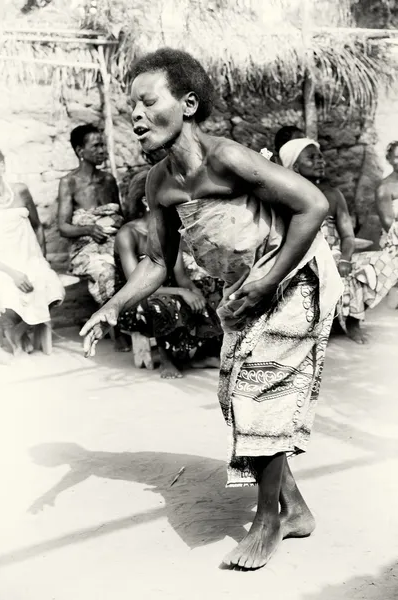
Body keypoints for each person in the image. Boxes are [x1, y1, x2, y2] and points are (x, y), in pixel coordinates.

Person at [80, 48, 342, 571]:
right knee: (237, 398)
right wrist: (110, 306)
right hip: (249, 287)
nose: (135, 115)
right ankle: (294, 508)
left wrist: (269, 281)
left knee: (257, 391)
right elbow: (157, 260)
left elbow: (313, 205)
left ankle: (266, 522)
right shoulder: (159, 183)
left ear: (189, 104)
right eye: (130, 106)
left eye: (148, 102)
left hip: (295, 279)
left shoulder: (230, 158)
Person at [280, 137, 398, 343]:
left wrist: (344, 258)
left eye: (320, 156)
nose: (320, 161)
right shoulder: (287, 196)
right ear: (296, 166)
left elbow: (348, 236)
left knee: (380, 263)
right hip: (304, 258)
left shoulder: (334, 195)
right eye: (312, 158)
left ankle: (352, 322)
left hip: (335, 256)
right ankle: (322, 323)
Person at [114, 208, 223, 378]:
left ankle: (205, 354)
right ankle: (167, 359)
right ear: (146, 201)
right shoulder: (127, 233)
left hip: (171, 293)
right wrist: (182, 292)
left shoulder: (170, 231)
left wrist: (194, 290)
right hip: (135, 301)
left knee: (214, 287)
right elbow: (135, 286)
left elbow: (182, 277)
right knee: (164, 301)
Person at [0, 149, 64, 358]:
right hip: (4, 266)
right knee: (10, 295)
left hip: (30, 259)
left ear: (2, 166)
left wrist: (41, 259)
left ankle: (19, 331)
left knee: (53, 289)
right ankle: (13, 333)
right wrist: (14, 274)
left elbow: (37, 226)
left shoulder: (20, 191)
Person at [58, 124, 123, 306]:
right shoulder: (69, 183)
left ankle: (136, 322)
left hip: (115, 246)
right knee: (107, 271)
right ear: (80, 150)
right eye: (96, 146)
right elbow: (63, 227)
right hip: (87, 251)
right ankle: (117, 317)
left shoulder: (108, 180)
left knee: (140, 266)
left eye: (103, 145)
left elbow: (122, 217)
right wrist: (90, 228)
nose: (102, 150)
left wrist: (117, 221)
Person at [376, 141, 398, 250]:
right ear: (389, 159)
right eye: (397, 157)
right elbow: (388, 224)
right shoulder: (385, 188)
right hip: (394, 244)